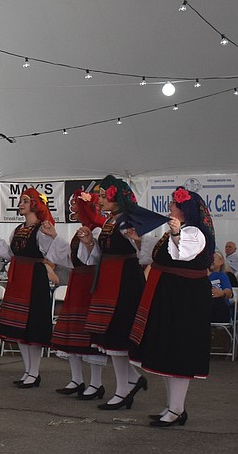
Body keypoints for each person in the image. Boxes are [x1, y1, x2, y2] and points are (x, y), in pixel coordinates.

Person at [128, 188, 215, 427]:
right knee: (168, 350)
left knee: (178, 350)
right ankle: (173, 407)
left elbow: (183, 254)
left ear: (185, 210)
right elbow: (157, 254)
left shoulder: (194, 233)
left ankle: (176, 409)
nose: (170, 207)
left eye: (174, 205)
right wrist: (139, 238)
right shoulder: (174, 233)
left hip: (185, 299)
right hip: (170, 296)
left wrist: (176, 234)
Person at [80, 175, 167, 411]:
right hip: (108, 280)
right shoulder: (109, 222)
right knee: (110, 336)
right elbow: (99, 255)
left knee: (118, 336)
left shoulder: (130, 220)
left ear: (115, 198)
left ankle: (123, 390)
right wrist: (89, 242)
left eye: (102, 195)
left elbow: (146, 253)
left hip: (125, 282)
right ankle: (129, 383)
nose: (98, 200)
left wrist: (138, 241)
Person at [0, 188, 63, 388]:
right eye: (20, 201)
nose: (20, 204)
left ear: (35, 205)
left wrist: (52, 235)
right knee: (18, 325)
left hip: (34, 278)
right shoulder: (18, 229)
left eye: (25, 201)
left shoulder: (41, 229)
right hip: (18, 276)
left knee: (32, 325)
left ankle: (34, 372)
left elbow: (51, 253)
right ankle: (28, 370)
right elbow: (11, 253)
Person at [50, 189, 108, 400]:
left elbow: (95, 259)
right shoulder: (80, 230)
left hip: (91, 284)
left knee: (88, 334)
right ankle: (76, 379)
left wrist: (89, 242)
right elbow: (70, 259)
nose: (73, 208)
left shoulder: (100, 230)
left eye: (76, 204)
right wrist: (54, 237)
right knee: (72, 331)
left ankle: (96, 383)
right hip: (77, 282)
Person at [209, 251, 234, 324]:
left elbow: (229, 292)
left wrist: (221, 293)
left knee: (218, 301)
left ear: (221, 261)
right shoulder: (202, 277)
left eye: (213, 258)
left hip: (219, 306)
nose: (211, 261)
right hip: (204, 305)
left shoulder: (222, 276)